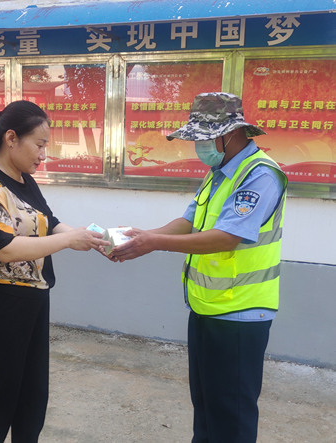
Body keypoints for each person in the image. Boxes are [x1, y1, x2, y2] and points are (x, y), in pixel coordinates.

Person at [109, 92, 287, 443]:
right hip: (207, 308)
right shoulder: (219, 172)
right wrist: (142, 237)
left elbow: (227, 237)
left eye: (205, 138)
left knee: (231, 418)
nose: (199, 146)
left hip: (239, 314)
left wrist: (154, 242)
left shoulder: (260, 175)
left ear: (231, 133)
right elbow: (188, 222)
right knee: (206, 410)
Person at [0, 100, 109, 443]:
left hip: (34, 300)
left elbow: (49, 222)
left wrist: (89, 238)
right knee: (1, 397)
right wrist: (68, 241)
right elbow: (5, 248)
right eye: (39, 145)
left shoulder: (25, 179)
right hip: (0, 303)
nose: (43, 155)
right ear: (11, 138)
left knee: (32, 396)